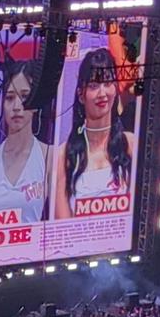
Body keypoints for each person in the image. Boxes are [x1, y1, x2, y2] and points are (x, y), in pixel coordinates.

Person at [54, 48, 136, 219]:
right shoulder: (64, 155)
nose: (102, 93)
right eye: (94, 86)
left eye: (107, 83)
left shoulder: (130, 144)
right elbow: (62, 224)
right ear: (81, 95)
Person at [0, 59, 50, 223]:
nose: (16, 106)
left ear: (36, 103)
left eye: (24, 96)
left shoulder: (49, 157)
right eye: (9, 98)